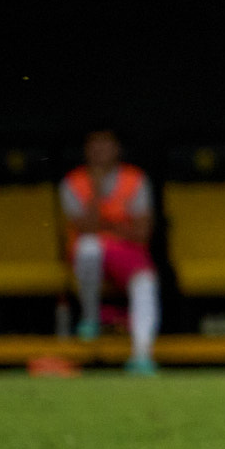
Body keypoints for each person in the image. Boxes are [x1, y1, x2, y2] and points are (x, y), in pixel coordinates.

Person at [60, 129, 158, 375]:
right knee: (89, 247)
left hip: (127, 253)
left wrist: (108, 225)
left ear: (117, 149)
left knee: (145, 283)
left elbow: (142, 233)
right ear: (86, 150)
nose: (100, 150)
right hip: (91, 254)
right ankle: (91, 317)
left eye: (106, 144)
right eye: (95, 145)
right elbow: (86, 228)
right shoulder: (73, 182)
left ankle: (142, 355)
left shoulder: (135, 179)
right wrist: (96, 190)